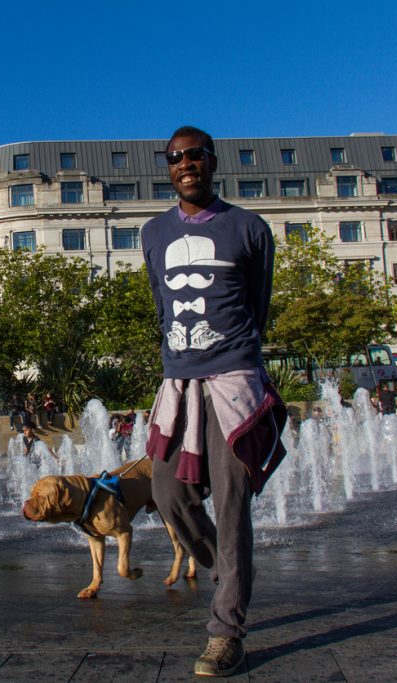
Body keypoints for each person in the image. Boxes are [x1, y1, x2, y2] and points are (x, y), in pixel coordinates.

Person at [143, 125, 288, 677]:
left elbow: (259, 304)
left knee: (230, 508)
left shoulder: (249, 228)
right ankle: (221, 566)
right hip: (178, 384)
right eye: (175, 158)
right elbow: (162, 303)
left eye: (195, 155)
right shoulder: (153, 233)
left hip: (232, 382)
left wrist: (239, 359)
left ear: (211, 161)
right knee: (167, 493)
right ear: (169, 167)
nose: (186, 164)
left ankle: (226, 630)